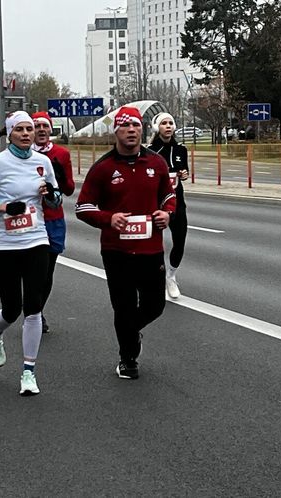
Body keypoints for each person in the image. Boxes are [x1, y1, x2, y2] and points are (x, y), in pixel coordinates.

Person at [0, 111, 61, 396]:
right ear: (9, 133)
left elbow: (55, 200)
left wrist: (50, 195)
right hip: (3, 244)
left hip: (36, 240)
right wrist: (2, 207)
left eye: (29, 129)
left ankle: (28, 372)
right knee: (12, 308)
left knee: (33, 306)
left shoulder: (43, 162)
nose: (26, 134)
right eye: (19, 129)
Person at [76, 106, 176, 380]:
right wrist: (109, 218)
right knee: (124, 307)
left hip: (150, 249)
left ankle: (131, 333)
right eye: (125, 127)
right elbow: (82, 207)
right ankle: (127, 358)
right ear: (116, 131)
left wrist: (167, 213)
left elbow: (168, 196)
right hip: (116, 251)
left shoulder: (156, 163)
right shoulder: (103, 168)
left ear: (142, 130)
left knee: (155, 305)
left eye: (136, 126)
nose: (131, 131)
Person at [31, 111, 76, 333]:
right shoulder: (22, 154)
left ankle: (37, 311)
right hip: (30, 218)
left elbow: (69, 190)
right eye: (36, 125)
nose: (40, 129)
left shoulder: (62, 153)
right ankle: (32, 309)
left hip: (53, 219)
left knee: (47, 271)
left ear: (50, 130)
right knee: (32, 270)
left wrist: (60, 176)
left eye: (44, 126)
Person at [147, 112, 189, 299]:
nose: (168, 126)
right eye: (164, 123)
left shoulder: (181, 149)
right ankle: (155, 277)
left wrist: (184, 175)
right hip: (155, 203)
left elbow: (184, 171)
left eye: (171, 123)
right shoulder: (149, 151)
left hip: (177, 202)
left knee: (180, 240)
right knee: (153, 244)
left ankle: (171, 275)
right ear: (157, 127)